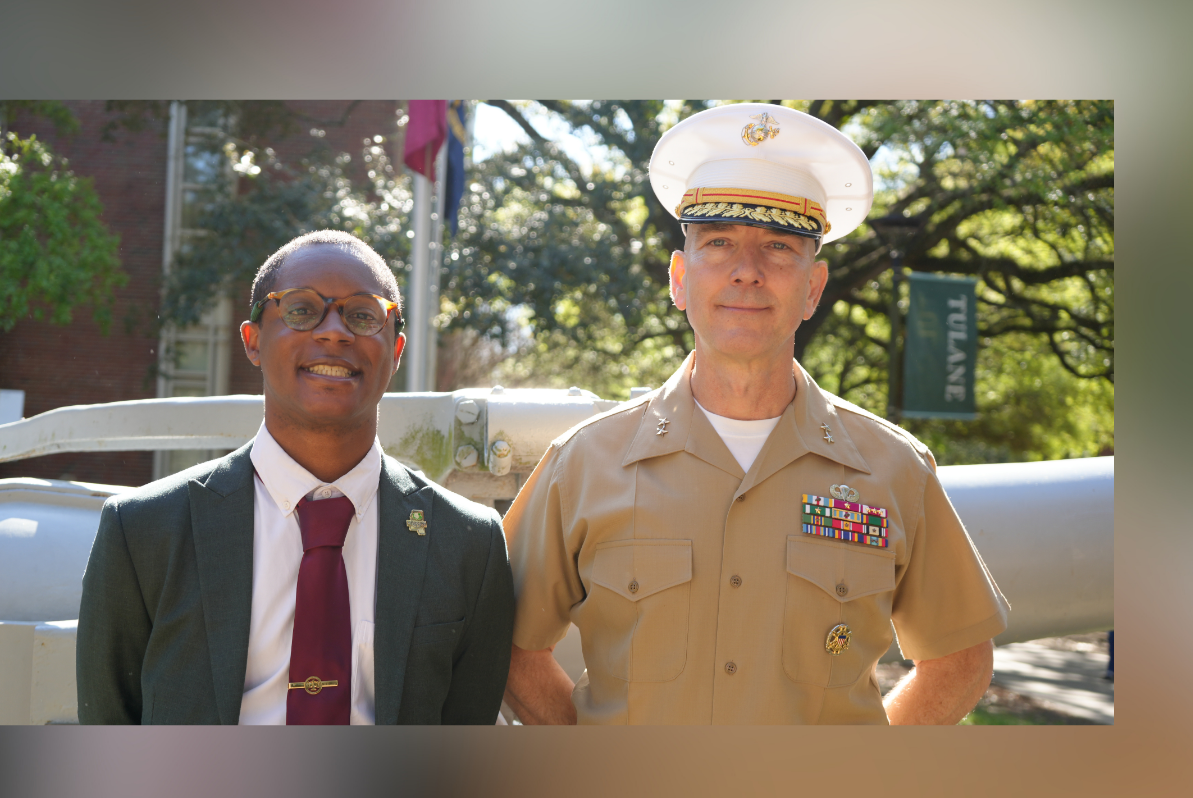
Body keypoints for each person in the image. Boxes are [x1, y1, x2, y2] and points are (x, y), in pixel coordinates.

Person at [503, 104, 1009, 725]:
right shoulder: (581, 464)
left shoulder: (895, 469)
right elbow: (508, 646)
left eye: (779, 246)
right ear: (680, 279)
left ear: (815, 287)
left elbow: (959, 657)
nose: (747, 271)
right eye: (718, 244)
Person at [78, 230, 514, 725]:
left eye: (362, 315)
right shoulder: (144, 530)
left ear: (395, 351)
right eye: (301, 310)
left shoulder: (468, 544)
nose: (334, 332)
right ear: (253, 341)